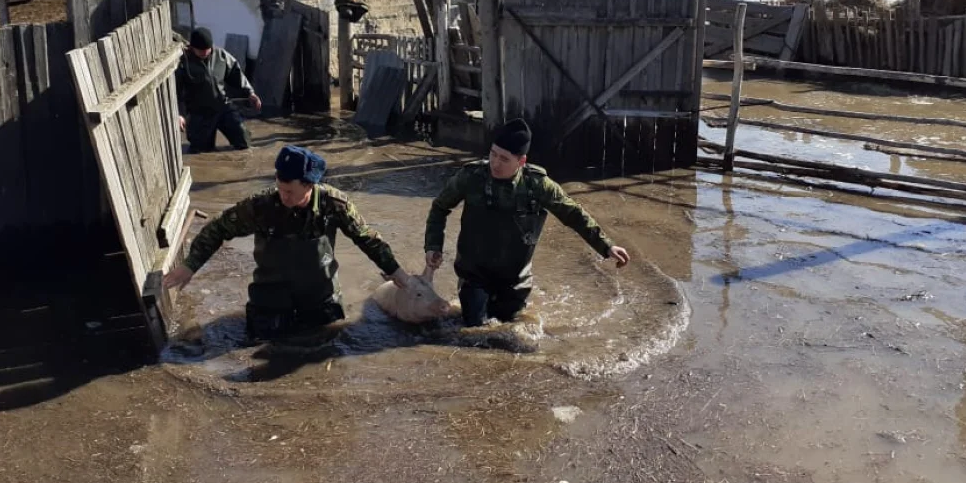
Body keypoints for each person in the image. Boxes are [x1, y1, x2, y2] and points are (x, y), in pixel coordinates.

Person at [163, 145, 416, 341]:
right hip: (270, 298)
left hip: (320, 299)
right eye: (279, 188)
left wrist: (397, 273)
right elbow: (217, 229)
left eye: (290, 192)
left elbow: (367, 238)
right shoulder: (261, 207)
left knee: (324, 350)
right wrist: (190, 265)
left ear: (309, 185)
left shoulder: (334, 204)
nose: (283, 196)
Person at [423, 118, 630, 327]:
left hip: (515, 279)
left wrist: (607, 246)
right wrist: (433, 246)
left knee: (512, 328)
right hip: (474, 274)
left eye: (504, 159)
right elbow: (440, 207)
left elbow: (574, 215)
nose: (495, 163)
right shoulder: (471, 177)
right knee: (474, 327)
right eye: (492, 154)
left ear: (521, 162)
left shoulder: (538, 185)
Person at [175, 27, 261, 153]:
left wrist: (250, 93)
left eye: (207, 50)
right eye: (200, 50)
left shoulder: (221, 56)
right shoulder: (183, 63)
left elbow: (236, 73)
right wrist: (179, 114)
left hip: (223, 107)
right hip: (199, 114)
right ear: (192, 48)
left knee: (243, 140)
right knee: (201, 153)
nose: (204, 53)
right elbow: (176, 92)